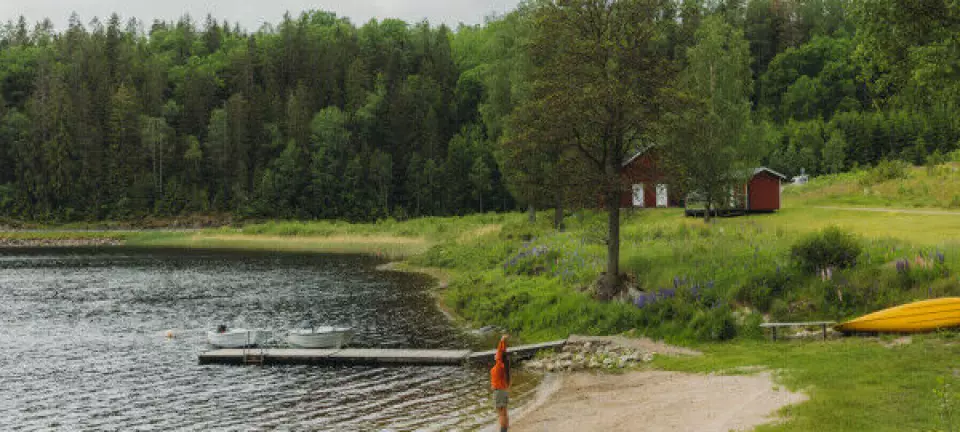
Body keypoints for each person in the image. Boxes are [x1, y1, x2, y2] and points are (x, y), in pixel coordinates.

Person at [490, 334, 510, 432]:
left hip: (499, 392)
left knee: (501, 414)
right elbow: (503, 353)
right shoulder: (504, 365)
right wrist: (503, 343)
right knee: (504, 413)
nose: (495, 354)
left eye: (496, 354)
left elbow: (500, 352)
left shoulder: (499, 366)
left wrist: (502, 341)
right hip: (503, 391)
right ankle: (505, 430)